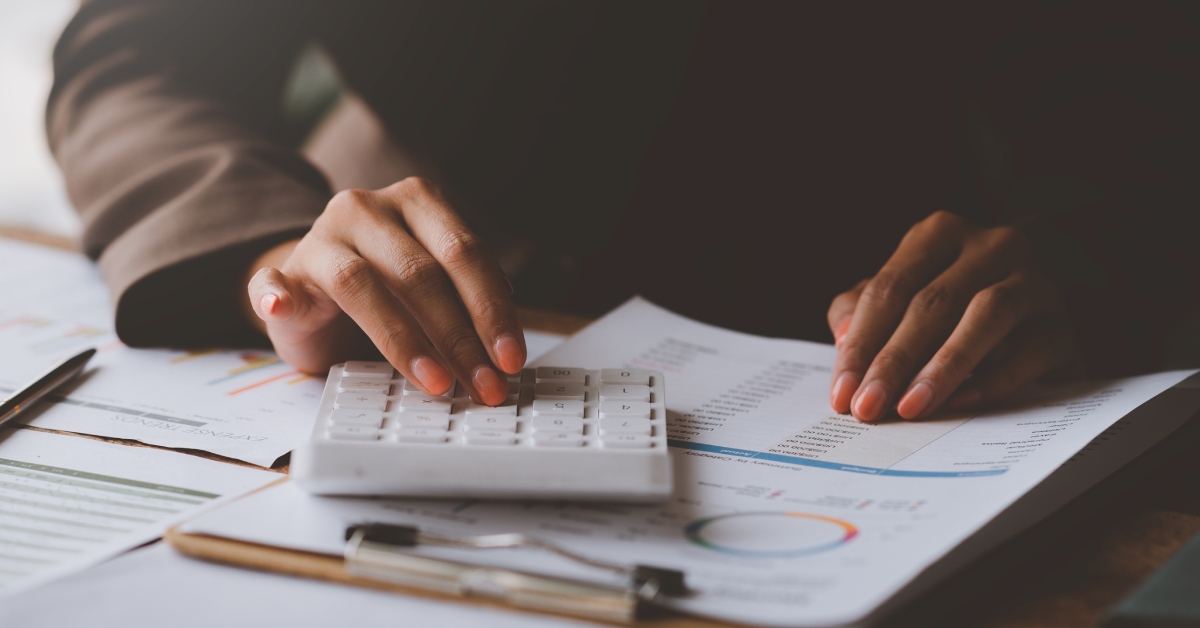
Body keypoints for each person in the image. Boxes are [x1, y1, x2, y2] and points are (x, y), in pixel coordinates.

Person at [48, 1, 1200, 420]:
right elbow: (138, 49)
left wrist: (1088, 247)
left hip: (872, 337)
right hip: (463, 283)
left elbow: (1125, 84)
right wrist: (267, 245)